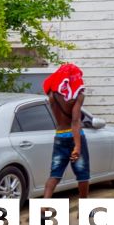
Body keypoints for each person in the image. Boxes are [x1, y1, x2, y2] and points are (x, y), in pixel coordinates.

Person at [42, 63, 90, 199]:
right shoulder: (78, 96)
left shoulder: (51, 95)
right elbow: (75, 121)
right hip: (75, 137)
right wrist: (77, 146)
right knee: (83, 175)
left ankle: (43, 209)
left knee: (55, 175)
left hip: (60, 136)